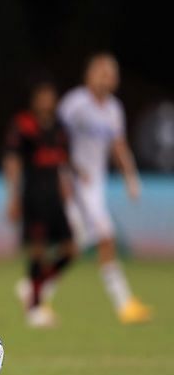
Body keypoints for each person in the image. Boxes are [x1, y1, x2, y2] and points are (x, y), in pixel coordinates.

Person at [58, 53, 152, 324]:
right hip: (74, 183)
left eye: (111, 73)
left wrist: (130, 177)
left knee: (76, 245)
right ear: (89, 74)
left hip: (95, 185)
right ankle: (124, 304)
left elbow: (118, 146)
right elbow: (55, 138)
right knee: (104, 238)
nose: (107, 77)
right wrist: (66, 173)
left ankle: (35, 289)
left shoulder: (113, 109)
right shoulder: (75, 104)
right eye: (102, 71)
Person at [5, 81, 76, 327]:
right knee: (37, 250)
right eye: (42, 96)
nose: (46, 101)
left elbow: (63, 162)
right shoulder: (23, 125)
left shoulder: (59, 128)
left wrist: (67, 187)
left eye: (50, 96)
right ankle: (34, 308)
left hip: (55, 199)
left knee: (71, 249)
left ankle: (33, 287)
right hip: (34, 197)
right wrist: (13, 196)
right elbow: (12, 161)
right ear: (34, 100)